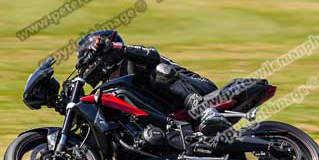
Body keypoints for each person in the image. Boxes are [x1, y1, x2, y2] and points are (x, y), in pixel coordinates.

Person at [77, 30, 231, 136]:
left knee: (159, 70)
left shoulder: (133, 60)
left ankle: (208, 114)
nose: (87, 66)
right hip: (170, 110)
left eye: (89, 59)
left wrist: (119, 48)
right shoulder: (111, 85)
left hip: (202, 91)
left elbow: (153, 55)